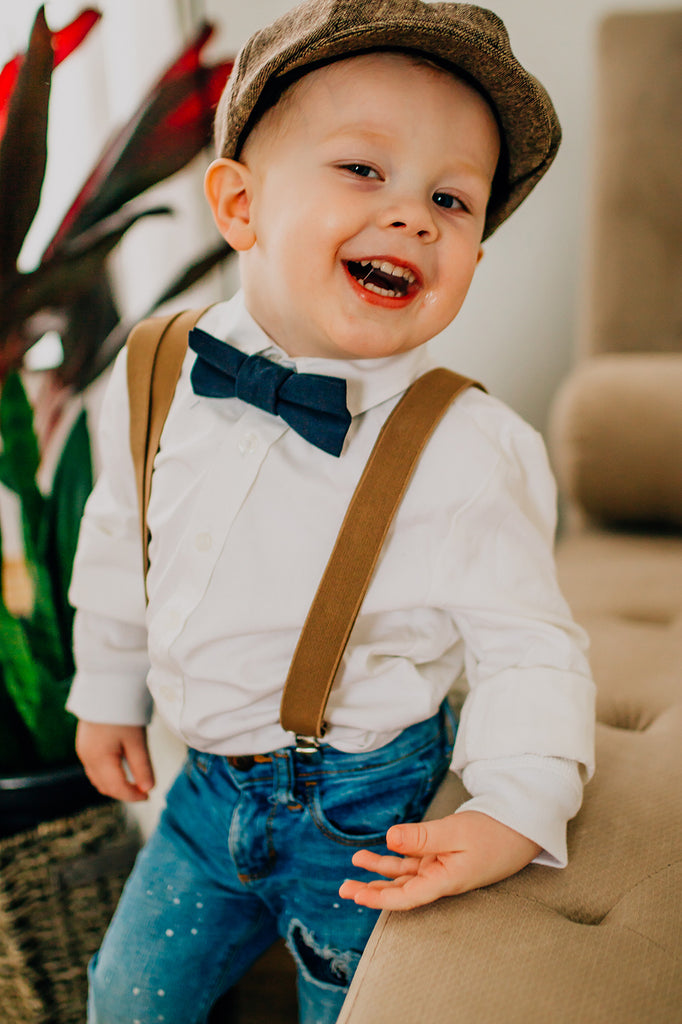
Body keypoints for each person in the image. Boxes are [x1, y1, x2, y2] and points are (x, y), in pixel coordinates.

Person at [67, 2, 595, 1021]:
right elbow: (120, 537)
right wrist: (109, 682)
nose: (412, 216)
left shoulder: (467, 447)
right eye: (364, 169)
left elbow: (528, 648)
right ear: (239, 203)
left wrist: (514, 811)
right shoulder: (161, 367)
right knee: (126, 998)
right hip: (202, 793)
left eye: (451, 198)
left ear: (471, 260)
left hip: (366, 811)